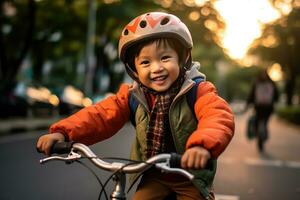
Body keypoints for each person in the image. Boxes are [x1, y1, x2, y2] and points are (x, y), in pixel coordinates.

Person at [36, 12, 234, 200]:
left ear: (182, 59)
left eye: (165, 58)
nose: (157, 68)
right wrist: (62, 133)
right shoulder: (132, 96)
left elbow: (217, 118)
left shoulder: (197, 91)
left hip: (189, 177)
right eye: (145, 62)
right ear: (134, 70)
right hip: (153, 175)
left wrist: (202, 147)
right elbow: (100, 115)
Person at [246, 69, 279, 152]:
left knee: (264, 123)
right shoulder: (257, 83)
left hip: (268, 109)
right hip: (259, 108)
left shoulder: (271, 84)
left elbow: (276, 95)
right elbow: (252, 94)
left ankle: (263, 136)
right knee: (258, 123)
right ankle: (261, 137)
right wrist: (248, 104)